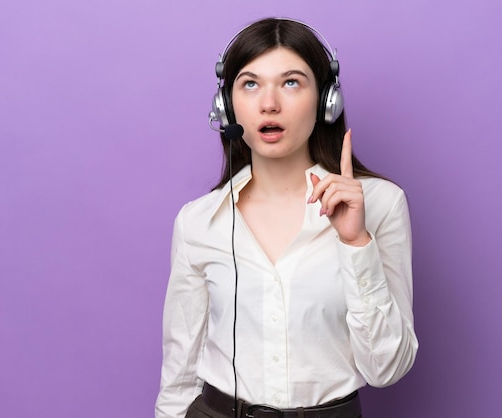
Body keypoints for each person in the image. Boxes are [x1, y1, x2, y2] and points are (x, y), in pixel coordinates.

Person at [156, 17, 418, 418]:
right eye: (250, 84)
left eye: (291, 82)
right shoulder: (198, 222)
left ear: (327, 100)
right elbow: (180, 374)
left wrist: (355, 243)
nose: (269, 103)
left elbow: (387, 369)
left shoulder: (381, 204)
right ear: (226, 106)